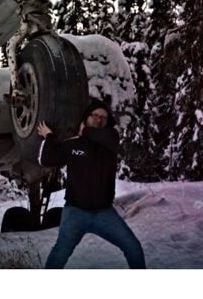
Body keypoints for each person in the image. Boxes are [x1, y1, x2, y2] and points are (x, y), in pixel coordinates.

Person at [37, 99, 146, 269]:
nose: (99, 119)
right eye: (94, 115)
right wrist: (50, 137)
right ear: (85, 119)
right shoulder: (73, 145)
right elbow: (47, 160)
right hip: (75, 213)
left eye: (103, 117)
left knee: (133, 248)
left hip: (104, 214)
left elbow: (104, 135)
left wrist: (85, 131)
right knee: (60, 253)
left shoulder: (110, 141)